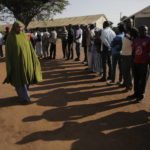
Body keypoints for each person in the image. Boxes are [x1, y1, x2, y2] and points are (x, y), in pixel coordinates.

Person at [3, 21, 42, 104]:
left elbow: (30, 48)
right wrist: (10, 64)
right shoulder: (11, 37)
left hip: (27, 63)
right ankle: (25, 98)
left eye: (21, 27)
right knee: (19, 80)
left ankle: (24, 95)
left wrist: (34, 58)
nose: (20, 29)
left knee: (27, 80)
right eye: (18, 27)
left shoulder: (24, 36)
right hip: (17, 64)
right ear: (14, 27)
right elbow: (9, 52)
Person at [127, 25, 150, 102]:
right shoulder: (136, 39)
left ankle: (141, 95)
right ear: (139, 31)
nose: (144, 32)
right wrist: (132, 60)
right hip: (135, 62)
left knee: (143, 80)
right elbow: (133, 50)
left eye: (145, 30)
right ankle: (135, 93)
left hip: (144, 63)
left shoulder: (149, 39)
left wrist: (147, 61)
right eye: (142, 30)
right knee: (136, 79)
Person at [121, 18, 138, 91]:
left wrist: (129, 37)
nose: (128, 24)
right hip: (124, 53)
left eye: (130, 22)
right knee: (124, 70)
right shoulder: (125, 30)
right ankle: (125, 83)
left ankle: (129, 86)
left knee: (128, 71)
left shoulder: (134, 31)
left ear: (132, 23)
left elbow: (136, 41)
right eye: (127, 23)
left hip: (130, 54)